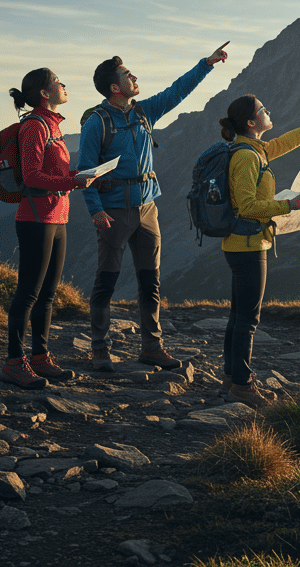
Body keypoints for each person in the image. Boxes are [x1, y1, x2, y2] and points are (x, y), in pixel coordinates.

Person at [78, 43, 229, 372]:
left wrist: (207, 64)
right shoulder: (97, 123)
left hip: (147, 209)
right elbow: (85, 172)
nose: (133, 76)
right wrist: (95, 210)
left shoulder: (144, 112)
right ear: (114, 88)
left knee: (151, 281)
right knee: (107, 280)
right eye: (126, 74)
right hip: (114, 211)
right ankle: (99, 349)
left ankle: (152, 347)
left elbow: (177, 91)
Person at [217, 96, 300, 408]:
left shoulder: (256, 149)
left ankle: (231, 378)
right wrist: (287, 205)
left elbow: (285, 142)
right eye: (263, 110)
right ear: (251, 123)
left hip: (244, 244)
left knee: (238, 317)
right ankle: (242, 386)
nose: (268, 111)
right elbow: (247, 206)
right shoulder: (247, 157)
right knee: (247, 319)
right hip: (247, 245)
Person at [2, 69, 96, 389]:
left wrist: (77, 176)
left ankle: (40, 357)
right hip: (36, 219)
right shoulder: (35, 126)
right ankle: (15, 361)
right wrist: (73, 180)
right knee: (29, 292)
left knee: (48, 294)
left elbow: (52, 172)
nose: (64, 85)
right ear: (44, 93)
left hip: (58, 217)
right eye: (58, 82)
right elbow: (31, 176)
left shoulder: (53, 125)